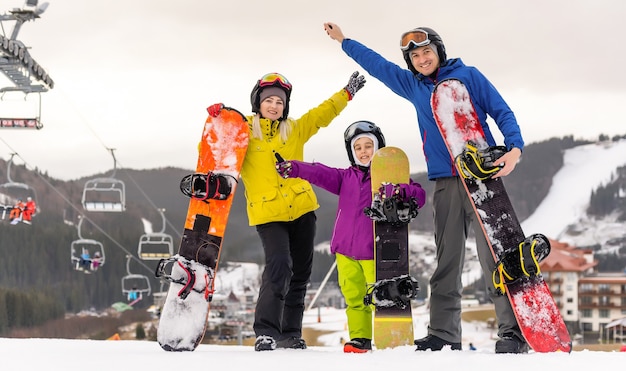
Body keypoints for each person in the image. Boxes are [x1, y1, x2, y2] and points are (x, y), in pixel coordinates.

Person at [323, 23, 527, 354]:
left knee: (494, 258)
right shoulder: (413, 86)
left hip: (481, 176)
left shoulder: (469, 77)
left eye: (426, 51)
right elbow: (378, 66)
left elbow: (501, 111)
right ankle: (444, 332)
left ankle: (512, 332)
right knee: (447, 259)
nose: (421, 59)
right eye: (414, 55)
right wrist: (345, 41)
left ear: (438, 52)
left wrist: (514, 148)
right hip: (445, 182)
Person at [203, 71, 366, 351]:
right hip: (269, 214)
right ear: (258, 102)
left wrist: (346, 93)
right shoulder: (244, 133)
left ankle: (290, 333)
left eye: (280, 101)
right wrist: (218, 123)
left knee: (300, 273)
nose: (274, 106)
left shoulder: (294, 129)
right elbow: (214, 151)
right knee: (279, 265)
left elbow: (322, 114)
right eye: (269, 101)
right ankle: (266, 331)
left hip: (302, 209)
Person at [274, 120, 426, 353]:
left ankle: (388, 338)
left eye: (369, 146)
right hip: (345, 250)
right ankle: (360, 339)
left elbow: (420, 194)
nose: (364, 152)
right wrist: (294, 168)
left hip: (373, 251)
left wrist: (399, 190)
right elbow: (318, 172)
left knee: (379, 296)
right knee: (354, 298)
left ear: (379, 148)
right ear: (351, 152)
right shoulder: (345, 177)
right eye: (358, 148)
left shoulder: (392, 177)